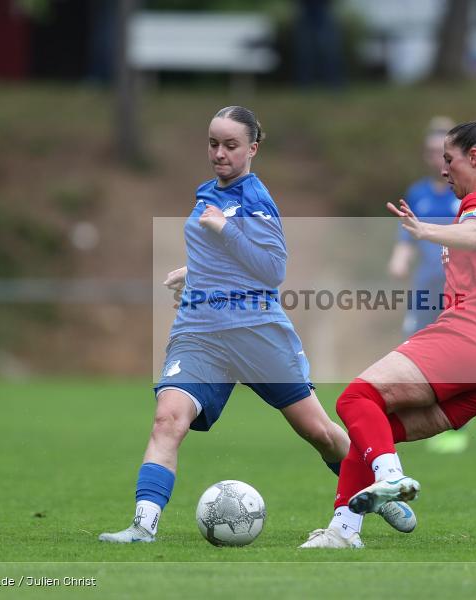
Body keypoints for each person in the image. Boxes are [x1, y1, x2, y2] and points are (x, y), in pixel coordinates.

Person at [299, 109, 476, 548]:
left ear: (475, 157)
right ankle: (343, 532)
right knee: (373, 429)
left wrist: (426, 231)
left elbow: (475, 235)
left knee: (355, 398)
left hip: (466, 336)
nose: (443, 168)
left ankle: (391, 478)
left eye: (450, 158)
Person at [98, 106, 353, 543]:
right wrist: (192, 272)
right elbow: (223, 258)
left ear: (252, 148)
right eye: (214, 143)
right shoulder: (206, 193)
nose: (219, 153)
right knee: (167, 420)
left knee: (318, 431)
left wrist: (224, 231)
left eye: (231, 145)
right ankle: (143, 526)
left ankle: (377, 485)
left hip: (255, 332)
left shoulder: (256, 200)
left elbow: (273, 270)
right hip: (199, 332)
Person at [387, 116, 470, 455]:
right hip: (425, 287)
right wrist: (400, 257)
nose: (438, 158)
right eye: (432, 151)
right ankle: (417, 420)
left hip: (459, 290)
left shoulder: (466, 194)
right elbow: (406, 234)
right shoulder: (418, 193)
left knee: (458, 357)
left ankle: (454, 426)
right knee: (415, 351)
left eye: (444, 152)